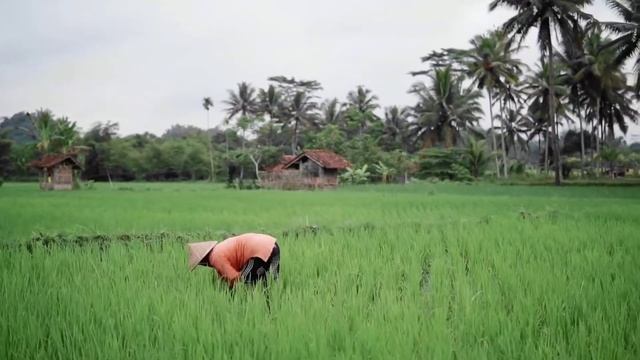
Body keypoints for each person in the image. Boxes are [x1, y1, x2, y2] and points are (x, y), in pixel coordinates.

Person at [187, 233, 280, 288]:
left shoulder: (215, 257)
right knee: (271, 282)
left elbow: (233, 277)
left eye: (201, 263)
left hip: (258, 251)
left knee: (246, 282)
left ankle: (249, 307)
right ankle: (271, 307)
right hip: (273, 246)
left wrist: (229, 291)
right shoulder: (219, 248)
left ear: (203, 259)